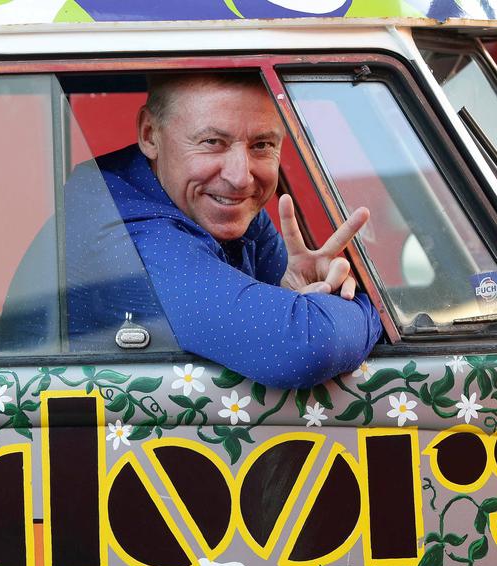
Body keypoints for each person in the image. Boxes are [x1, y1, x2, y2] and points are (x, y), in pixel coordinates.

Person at [61, 72, 383, 389]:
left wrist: (308, 296)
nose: (240, 177)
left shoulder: (211, 204)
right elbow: (306, 344)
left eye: (262, 145)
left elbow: (297, 323)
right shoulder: (129, 230)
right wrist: (381, 309)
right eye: (212, 142)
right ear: (149, 135)